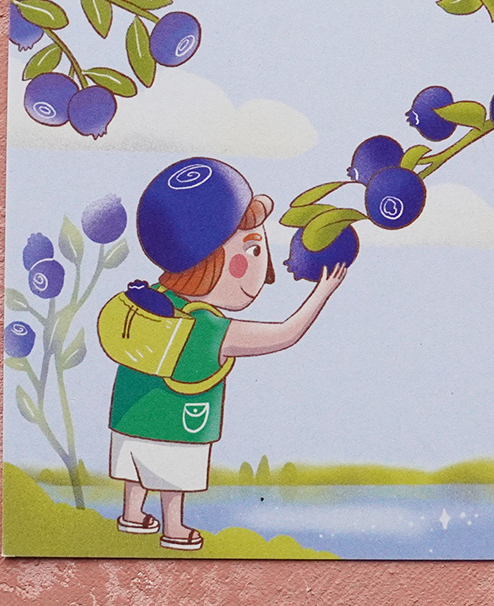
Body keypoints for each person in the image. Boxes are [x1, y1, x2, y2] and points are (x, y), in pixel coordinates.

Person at [107, 157, 347, 551]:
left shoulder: (155, 300)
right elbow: (285, 334)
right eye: (253, 251)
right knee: (173, 476)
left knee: (138, 469)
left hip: (129, 417)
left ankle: (132, 515)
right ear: (210, 260)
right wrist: (323, 291)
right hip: (174, 426)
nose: (263, 268)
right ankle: (174, 529)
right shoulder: (207, 329)